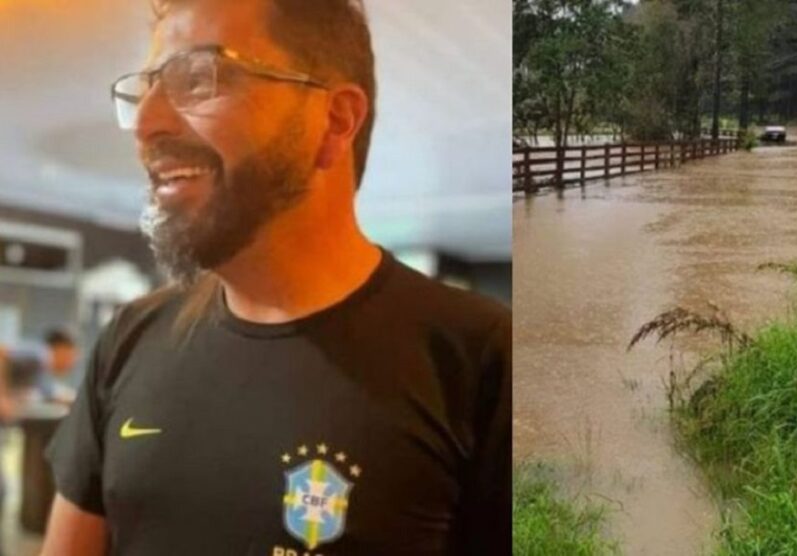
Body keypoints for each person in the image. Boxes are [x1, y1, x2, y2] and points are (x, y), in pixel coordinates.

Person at [41, 1, 510, 554]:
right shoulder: (130, 337)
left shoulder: (482, 359)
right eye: (142, 91)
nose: (146, 123)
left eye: (199, 77)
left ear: (335, 120)